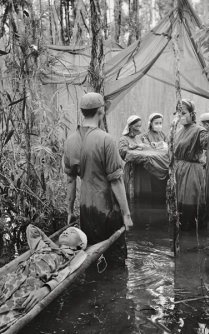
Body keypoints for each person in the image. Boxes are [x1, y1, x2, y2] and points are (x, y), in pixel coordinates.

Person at [64, 92, 133, 267]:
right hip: (108, 210)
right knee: (116, 261)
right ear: (101, 111)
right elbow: (116, 181)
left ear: (82, 112)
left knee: (92, 258)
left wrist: (70, 210)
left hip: (86, 210)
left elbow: (71, 181)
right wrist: (126, 214)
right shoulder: (106, 140)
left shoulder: (70, 141)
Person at [0, 224, 87, 333]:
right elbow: (31, 229)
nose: (66, 232)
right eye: (65, 230)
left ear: (80, 244)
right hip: (9, 281)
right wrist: (54, 246)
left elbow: (67, 272)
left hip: (27, 291)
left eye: (72, 232)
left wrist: (46, 289)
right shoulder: (43, 247)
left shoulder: (71, 257)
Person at [174, 99, 209, 230]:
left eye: (183, 113)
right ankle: (182, 236)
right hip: (180, 171)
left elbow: (207, 144)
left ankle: (194, 237)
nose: (180, 116)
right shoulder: (178, 131)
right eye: (178, 113)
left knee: (190, 204)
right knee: (179, 208)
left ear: (191, 114)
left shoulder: (199, 131)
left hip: (192, 172)